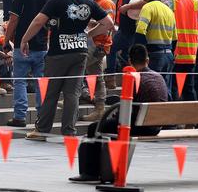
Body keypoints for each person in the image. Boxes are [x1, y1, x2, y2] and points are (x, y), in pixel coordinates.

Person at [23, 0, 113, 140]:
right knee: (73, 93)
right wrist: (89, 34)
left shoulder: (57, 0)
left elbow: (38, 21)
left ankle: (42, 131)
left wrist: (24, 39)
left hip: (58, 53)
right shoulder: (88, 3)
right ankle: (69, 132)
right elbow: (109, 23)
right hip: (80, 52)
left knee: (51, 92)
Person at [70, 44, 168, 183]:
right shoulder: (158, 77)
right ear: (147, 60)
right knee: (105, 126)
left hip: (141, 125)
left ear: (129, 61)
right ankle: (105, 169)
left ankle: (90, 173)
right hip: (156, 125)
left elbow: (125, 111)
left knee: (94, 128)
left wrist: (110, 119)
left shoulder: (133, 79)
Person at [3, 0, 52, 127]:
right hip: (42, 46)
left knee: (20, 81)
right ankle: (41, 117)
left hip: (22, 46)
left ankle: (19, 116)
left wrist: (6, 40)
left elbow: (14, 20)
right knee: (41, 82)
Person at [134, 0, 177, 99]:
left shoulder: (148, 7)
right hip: (168, 55)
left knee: (153, 91)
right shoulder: (168, 10)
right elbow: (174, 38)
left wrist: (139, 56)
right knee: (165, 90)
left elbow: (140, 32)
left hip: (154, 56)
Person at [106, 0, 145, 88]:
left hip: (134, 31)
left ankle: (135, 83)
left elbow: (145, 1)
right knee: (111, 49)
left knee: (132, 58)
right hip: (123, 29)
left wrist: (127, 7)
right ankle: (111, 79)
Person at [80, 0, 115, 121]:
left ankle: (80, 98)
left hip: (98, 44)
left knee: (78, 69)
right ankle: (99, 107)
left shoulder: (106, 3)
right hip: (92, 43)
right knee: (95, 75)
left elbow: (107, 25)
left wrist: (89, 28)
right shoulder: (91, 2)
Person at [165, 0, 198, 101]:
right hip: (191, 53)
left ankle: (173, 120)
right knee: (189, 88)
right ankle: (192, 119)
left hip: (175, 52)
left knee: (173, 87)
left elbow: (166, 29)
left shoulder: (171, 3)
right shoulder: (196, 2)